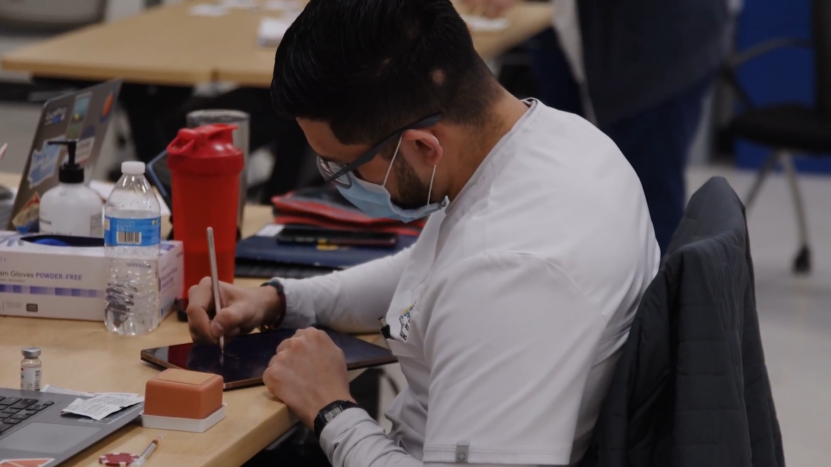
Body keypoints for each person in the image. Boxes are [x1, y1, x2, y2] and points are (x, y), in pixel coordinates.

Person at [187, 0, 660, 465]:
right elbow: (429, 270)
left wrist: (331, 408)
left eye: (344, 168)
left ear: (422, 147)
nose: (339, 182)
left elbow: (475, 277)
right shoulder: (557, 140)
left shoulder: (511, 275)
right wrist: (280, 300)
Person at [466, 0, 731, 254]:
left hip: (653, 50)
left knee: (646, 200)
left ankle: (657, 294)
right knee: (569, 182)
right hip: (585, 39)